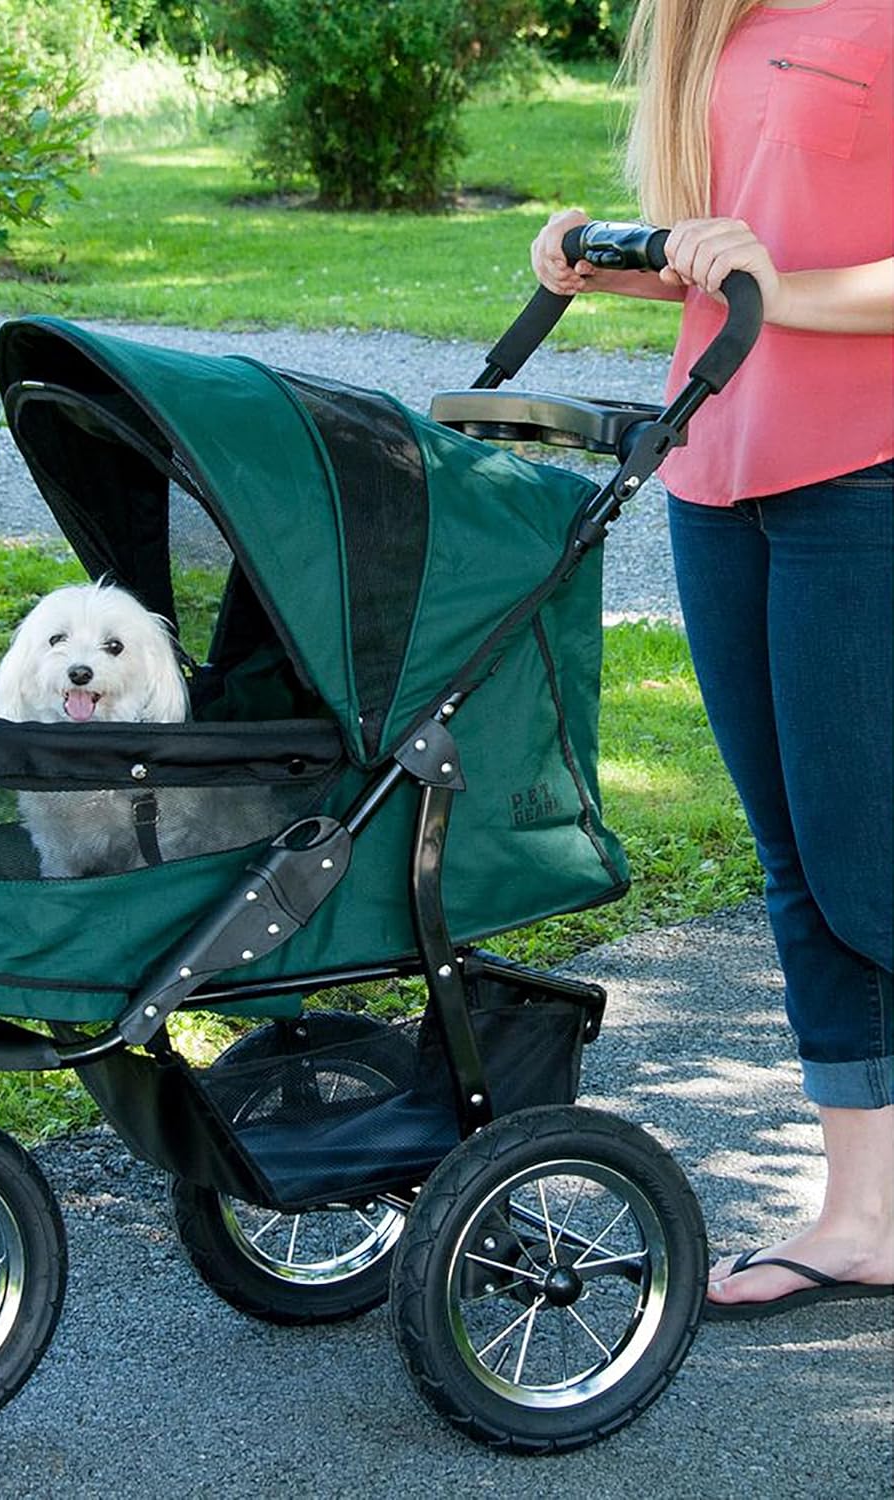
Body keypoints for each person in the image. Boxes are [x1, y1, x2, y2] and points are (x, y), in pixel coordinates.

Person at [531, 0, 893, 1318]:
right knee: (802, 868)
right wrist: (610, 258)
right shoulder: (716, 23)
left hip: (868, 473)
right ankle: (863, 1221)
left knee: (870, 868)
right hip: (719, 470)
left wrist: (773, 284)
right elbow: (735, 260)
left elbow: (793, 275)